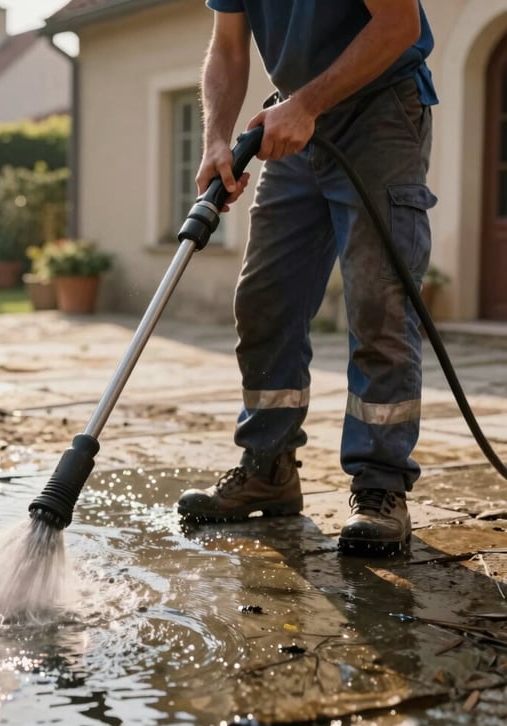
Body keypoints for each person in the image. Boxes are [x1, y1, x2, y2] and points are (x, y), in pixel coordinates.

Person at [176, 0, 438, 557]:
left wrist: (307, 104)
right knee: (265, 298)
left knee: (377, 301)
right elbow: (227, 47)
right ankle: (269, 467)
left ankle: (380, 485)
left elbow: (399, 24)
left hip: (380, 110)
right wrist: (217, 138)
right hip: (293, 120)